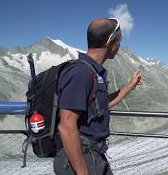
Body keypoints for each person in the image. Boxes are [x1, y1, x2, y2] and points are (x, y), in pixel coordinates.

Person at [53, 18, 145, 175]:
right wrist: (82, 172)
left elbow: (102, 104)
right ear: (110, 43)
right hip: (81, 158)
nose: (119, 46)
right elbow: (67, 126)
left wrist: (130, 86)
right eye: (118, 42)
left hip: (94, 156)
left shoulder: (93, 72)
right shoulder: (81, 73)